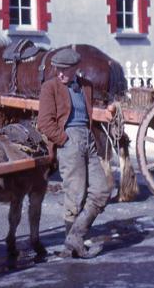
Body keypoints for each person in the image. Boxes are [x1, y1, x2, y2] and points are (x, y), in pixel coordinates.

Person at [37, 47, 111, 259]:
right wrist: (65, 140)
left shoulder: (85, 86)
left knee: (101, 191)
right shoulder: (49, 87)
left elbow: (91, 114)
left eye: (65, 70)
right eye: (57, 69)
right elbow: (44, 122)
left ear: (76, 68)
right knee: (75, 195)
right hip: (69, 141)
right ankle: (71, 245)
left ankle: (75, 237)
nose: (60, 74)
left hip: (88, 140)